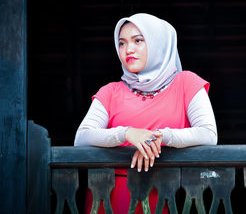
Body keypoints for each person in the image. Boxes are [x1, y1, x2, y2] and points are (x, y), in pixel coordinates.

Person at [74, 13, 218, 214]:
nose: (128, 50)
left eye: (138, 40)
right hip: (106, 200)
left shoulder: (186, 83)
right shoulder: (110, 91)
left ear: (158, 43)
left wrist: (160, 137)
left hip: (161, 198)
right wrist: (127, 133)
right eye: (122, 43)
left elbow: (209, 134)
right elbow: (81, 138)